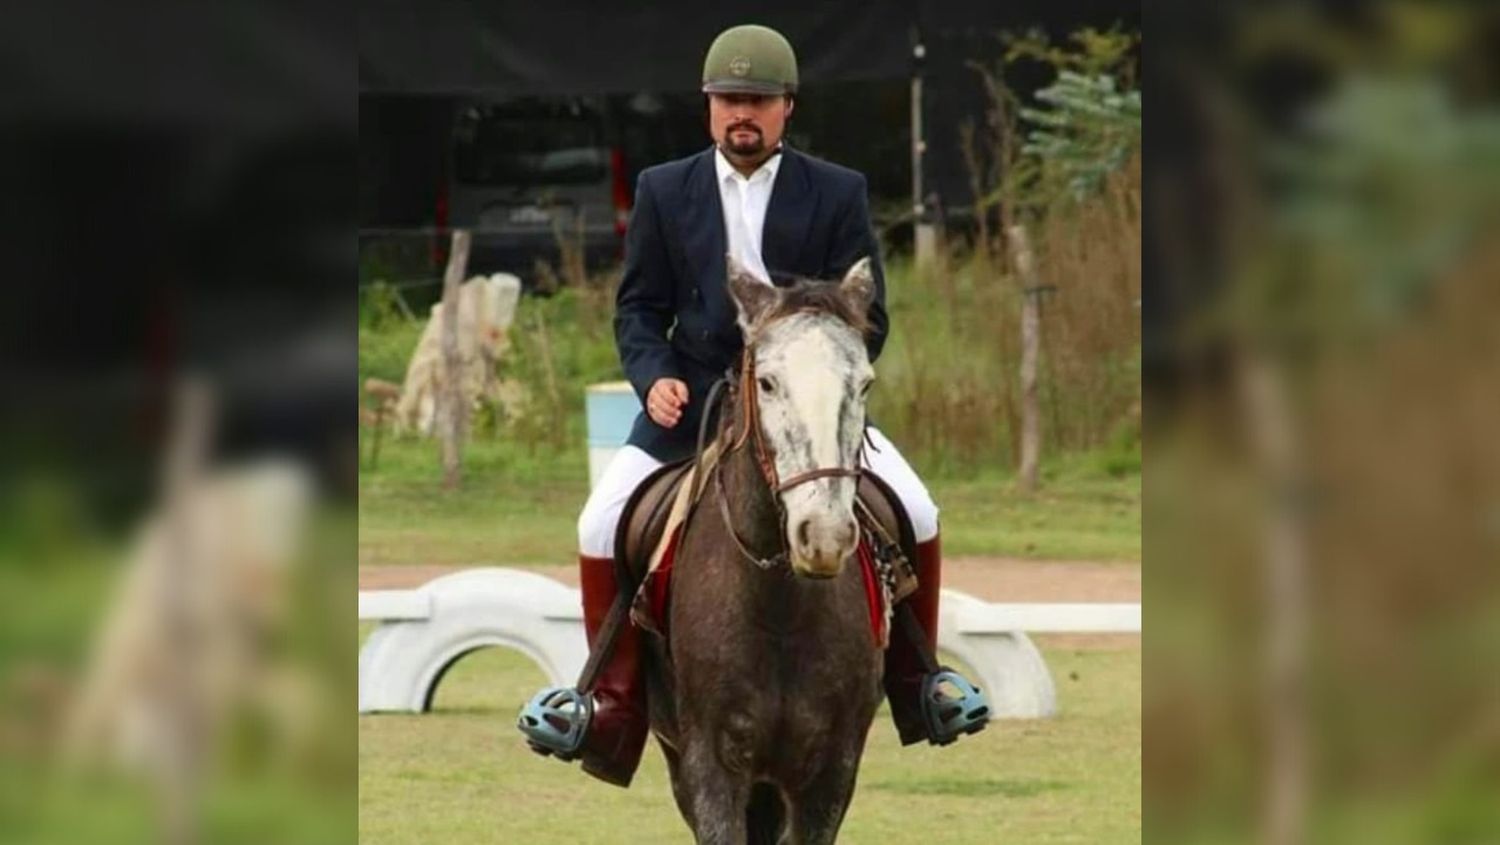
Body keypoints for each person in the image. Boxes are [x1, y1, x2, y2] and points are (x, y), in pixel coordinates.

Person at [518, 23, 989, 788]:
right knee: (598, 520)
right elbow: (638, 308)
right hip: (694, 407)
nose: (744, 113)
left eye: (759, 101)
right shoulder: (665, 190)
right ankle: (607, 704)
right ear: (708, 107)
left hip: (808, 412)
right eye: (730, 99)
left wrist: (826, 384)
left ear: (786, 108)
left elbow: (871, 315)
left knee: (920, 509)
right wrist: (653, 376)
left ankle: (920, 686)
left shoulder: (837, 192)